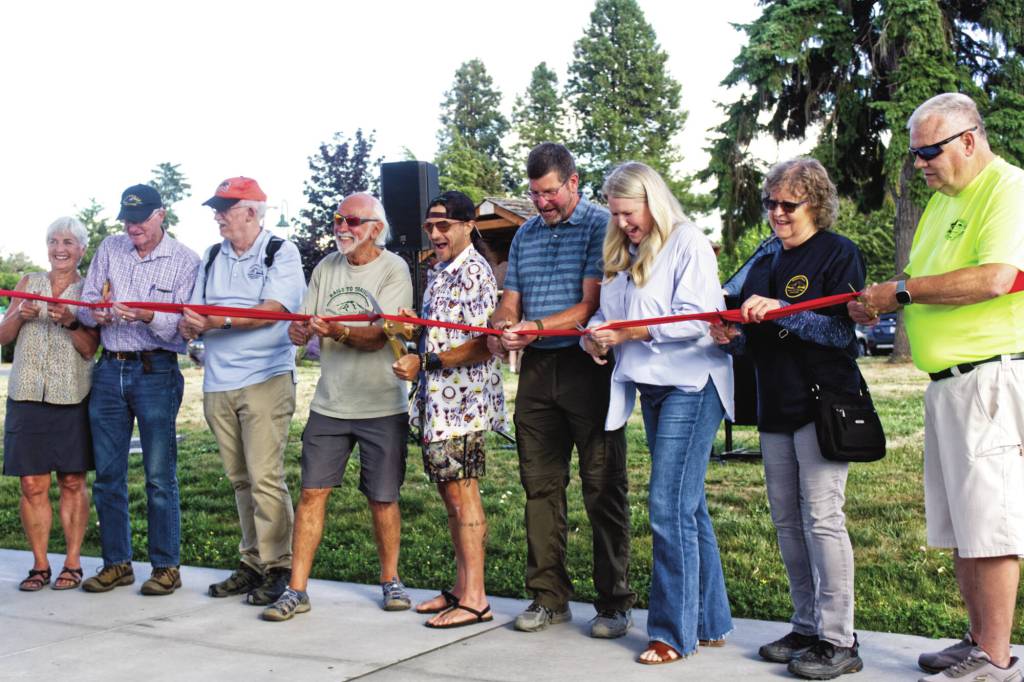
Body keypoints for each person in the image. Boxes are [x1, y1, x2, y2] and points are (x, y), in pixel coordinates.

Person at [854, 93, 1024, 682]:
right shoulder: (940, 203)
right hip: (949, 384)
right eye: (915, 153)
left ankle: (996, 659)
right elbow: (914, 282)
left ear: (969, 139)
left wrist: (899, 294)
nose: (920, 163)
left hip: (990, 376)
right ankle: (978, 639)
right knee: (960, 524)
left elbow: (998, 277)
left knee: (991, 522)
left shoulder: (1008, 189)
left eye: (929, 150)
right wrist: (879, 298)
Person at [711, 157, 866, 679]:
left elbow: (843, 335)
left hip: (823, 404)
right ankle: (806, 624)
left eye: (788, 204)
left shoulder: (839, 254)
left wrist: (782, 310)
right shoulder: (765, 258)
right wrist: (731, 338)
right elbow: (754, 342)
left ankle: (839, 638)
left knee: (823, 519)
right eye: (769, 203)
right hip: (774, 405)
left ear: (816, 204)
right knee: (787, 522)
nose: (776, 213)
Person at [581, 162, 734, 663]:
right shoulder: (620, 249)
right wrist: (597, 335)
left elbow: (696, 320)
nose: (624, 223)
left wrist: (626, 332)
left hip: (693, 382)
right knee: (688, 506)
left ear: (652, 201)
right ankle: (709, 621)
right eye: (616, 215)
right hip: (651, 387)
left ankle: (672, 633)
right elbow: (609, 311)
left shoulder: (687, 241)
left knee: (667, 506)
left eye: (629, 212)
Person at [489, 142, 636, 636]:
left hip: (587, 367)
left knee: (602, 486)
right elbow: (511, 301)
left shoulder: (601, 225)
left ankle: (614, 601)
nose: (541, 202)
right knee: (539, 487)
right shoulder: (526, 234)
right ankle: (548, 597)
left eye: (550, 192)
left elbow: (589, 305)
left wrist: (534, 324)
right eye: (534, 194)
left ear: (573, 182)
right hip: (536, 373)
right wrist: (504, 323)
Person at [262, 192, 413, 621]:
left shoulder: (394, 269)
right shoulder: (326, 267)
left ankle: (391, 580)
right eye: (337, 219)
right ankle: (296, 590)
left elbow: (382, 335)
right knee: (312, 493)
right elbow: (305, 325)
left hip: (382, 403)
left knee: (383, 498)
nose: (341, 227)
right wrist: (300, 332)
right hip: (330, 404)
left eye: (351, 220)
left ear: (376, 229)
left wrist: (337, 332)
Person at [179, 177, 306, 606]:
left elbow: (274, 311)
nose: (217, 216)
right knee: (239, 480)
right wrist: (191, 326)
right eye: (216, 208)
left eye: (226, 208)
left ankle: (278, 568)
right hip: (218, 380)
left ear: (251, 212)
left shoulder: (279, 252)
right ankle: (252, 562)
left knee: (264, 477)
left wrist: (219, 322)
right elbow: (196, 312)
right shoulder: (212, 255)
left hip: (265, 377)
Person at [392, 191, 508, 628]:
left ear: (467, 225)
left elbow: (483, 344)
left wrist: (426, 361)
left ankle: (476, 599)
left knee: (463, 496)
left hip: (464, 405)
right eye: (430, 227)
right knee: (450, 496)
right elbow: (440, 336)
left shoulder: (474, 272)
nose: (435, 234)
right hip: (437, 405)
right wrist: (410, 332)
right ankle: (461, 588)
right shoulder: (440, 272)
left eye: (444, 225)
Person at [77, 184, 200, 596]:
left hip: (156, 371)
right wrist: (98, 312)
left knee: (158, 476)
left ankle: (166, 566)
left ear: (160, 214)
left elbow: (182, 330)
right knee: (108, 475)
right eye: (127, 219)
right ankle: (117, 564)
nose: (132, 227)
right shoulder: (111, 249)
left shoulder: (186, 261)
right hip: (110, 371)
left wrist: (148, 316)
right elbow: (86, 302)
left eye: (141, 219)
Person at [1, 217, 99, 591]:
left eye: (69, 242)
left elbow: (91, 349)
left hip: (71, 395)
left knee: (73, 480)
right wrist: (21, 316)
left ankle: (72, 563)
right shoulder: (29, 284)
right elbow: (3, 336)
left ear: (81, 250)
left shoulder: (90, 290)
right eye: (54, 241)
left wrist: (73, 323)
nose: (60, 248)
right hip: (26, 394)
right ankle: (40, 565)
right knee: (31, 484)